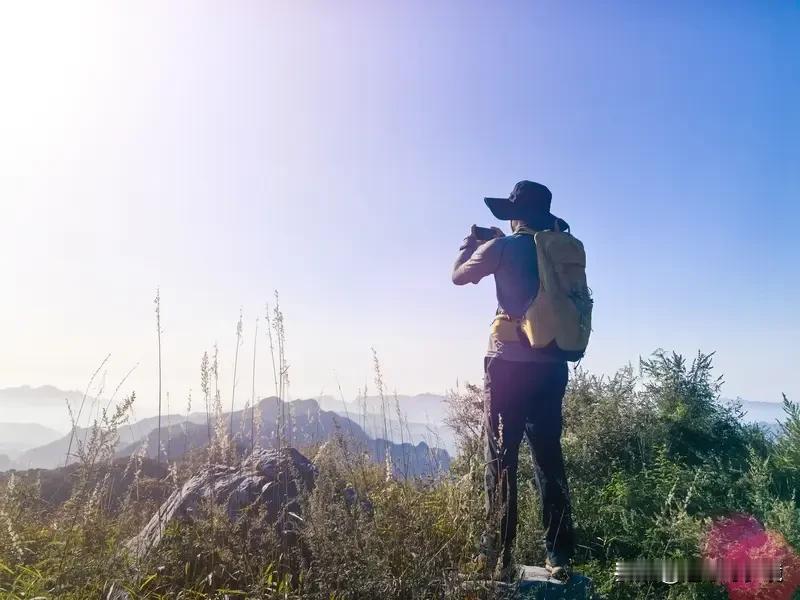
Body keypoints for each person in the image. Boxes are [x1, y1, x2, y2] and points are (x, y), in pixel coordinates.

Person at [452, 180, 575, 581]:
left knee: (501, 459)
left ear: (515, 215)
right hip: (553, 366)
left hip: (508, 367)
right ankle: (559, 557)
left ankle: (498, 557)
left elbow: (458, 276)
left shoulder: (503, 248)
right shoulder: (558, 247)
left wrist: (472, 243)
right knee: (548, 459)